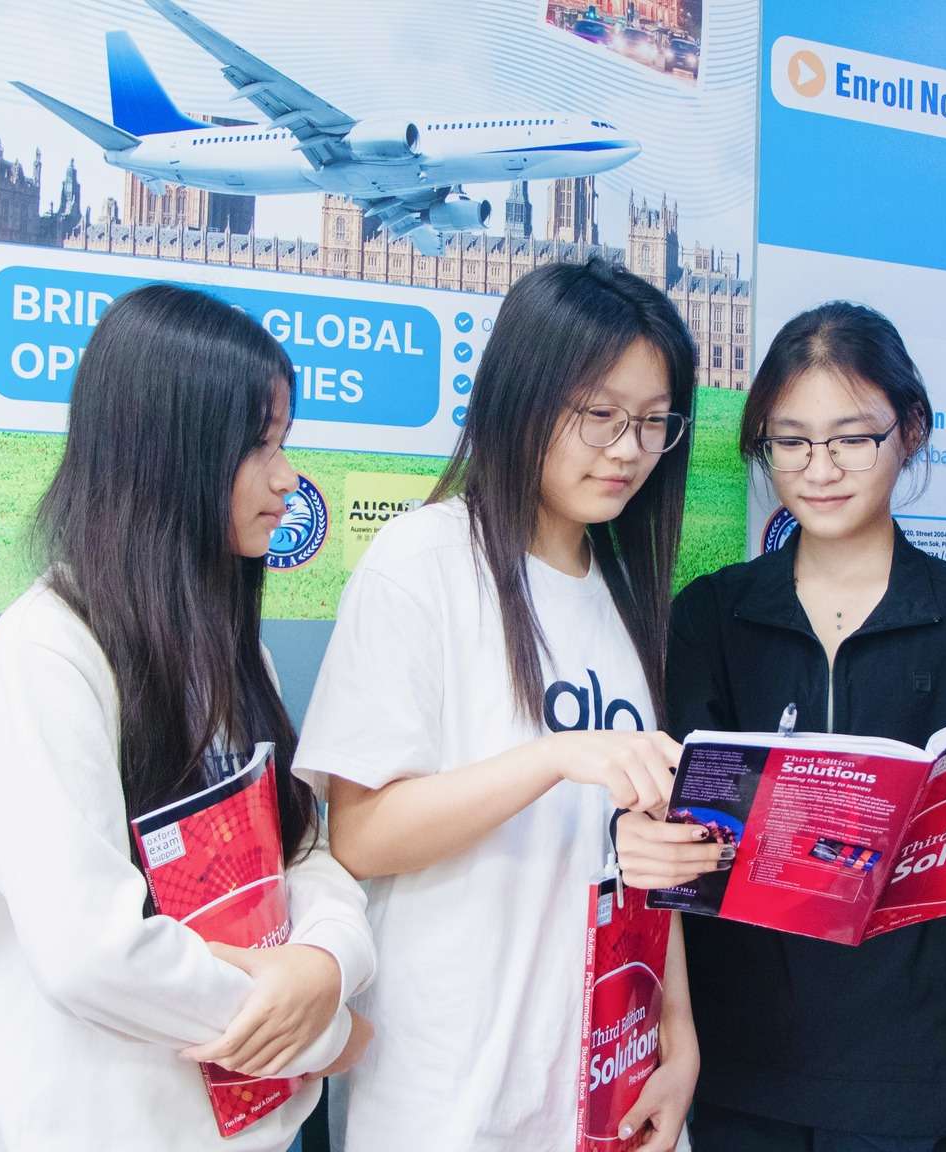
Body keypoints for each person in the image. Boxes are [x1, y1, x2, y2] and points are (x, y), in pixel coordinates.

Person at [614, 302, 946, 1151]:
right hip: (747, 1052)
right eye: (790, 441)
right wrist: (641, 837)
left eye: (852, 438)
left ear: (911, 431)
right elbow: (662, 814)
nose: (818, 468)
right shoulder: (710, 619)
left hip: (932, 1064)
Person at [0, 284, 375, 1152]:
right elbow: (94, 953)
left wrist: (326, 967)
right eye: (259, 446)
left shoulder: (229, 649)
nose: (287, 476)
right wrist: (319, 1033)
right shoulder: (49, 652)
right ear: (168, 451)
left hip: (254, 1126)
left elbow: (302, 849)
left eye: (283, 442)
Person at [297, 258, 702, 1151]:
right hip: (450, 1086)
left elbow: (638, 847)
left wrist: (680, 1037)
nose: (629, 449)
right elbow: (360, 836)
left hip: (606, 1076)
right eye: (601, 414)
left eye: (652, 422)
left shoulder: (623, 588)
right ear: (523, 395)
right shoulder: (424, 561)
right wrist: (554, 758)